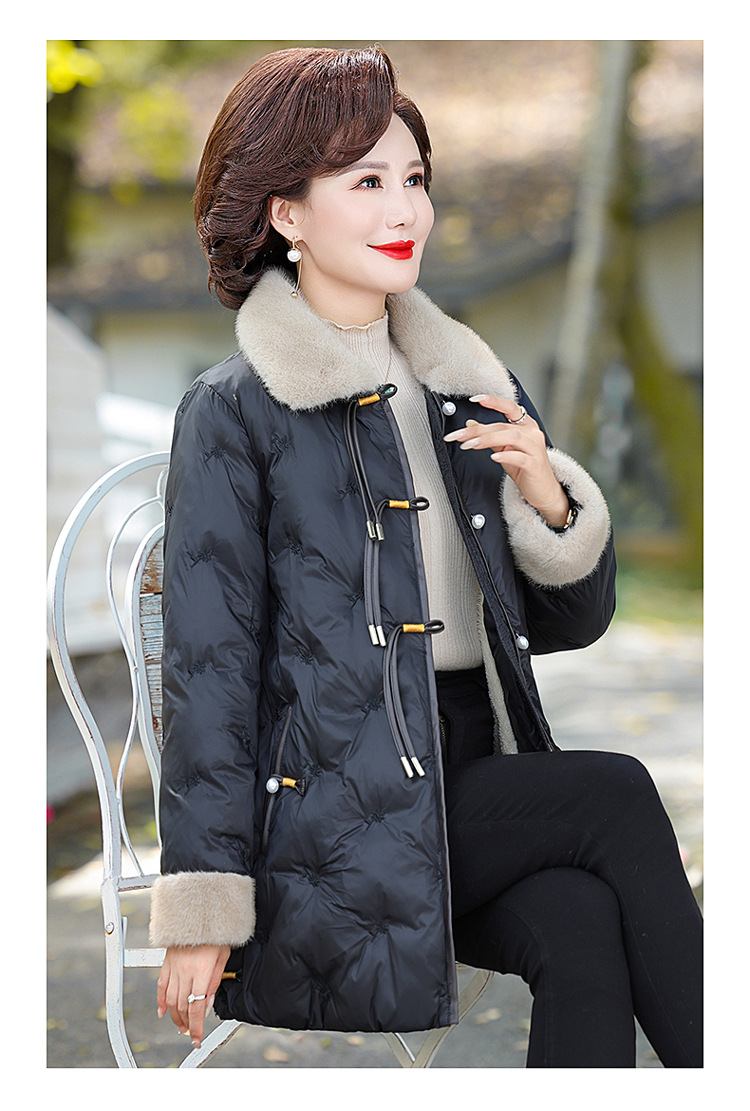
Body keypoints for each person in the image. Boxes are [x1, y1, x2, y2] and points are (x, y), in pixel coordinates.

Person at [150, 45, 702, 1068]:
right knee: (616, 791)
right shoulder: (235, 410)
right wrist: (202, 904)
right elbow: (208, 673)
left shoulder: (467, 384)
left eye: (414, 179)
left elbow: (571, 626)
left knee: (580, 919)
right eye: (367, 183)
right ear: (286, 213)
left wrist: (548, 499)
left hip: (469, 781)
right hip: (330, 821)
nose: (406, 209)